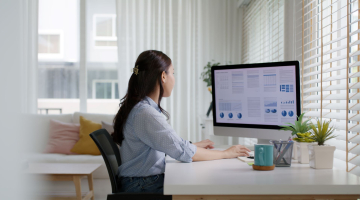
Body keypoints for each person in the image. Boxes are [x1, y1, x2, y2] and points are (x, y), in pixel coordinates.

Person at [112, 50, 251, 194]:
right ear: (163, 76)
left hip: (140, 181)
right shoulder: (146, 113)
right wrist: (225, 154)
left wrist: (191, 145)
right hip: (142, 185)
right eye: (173, 73)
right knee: (207, 185)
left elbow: (169, 143)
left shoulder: (142, 108)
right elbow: (183, 152)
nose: (174, 78)